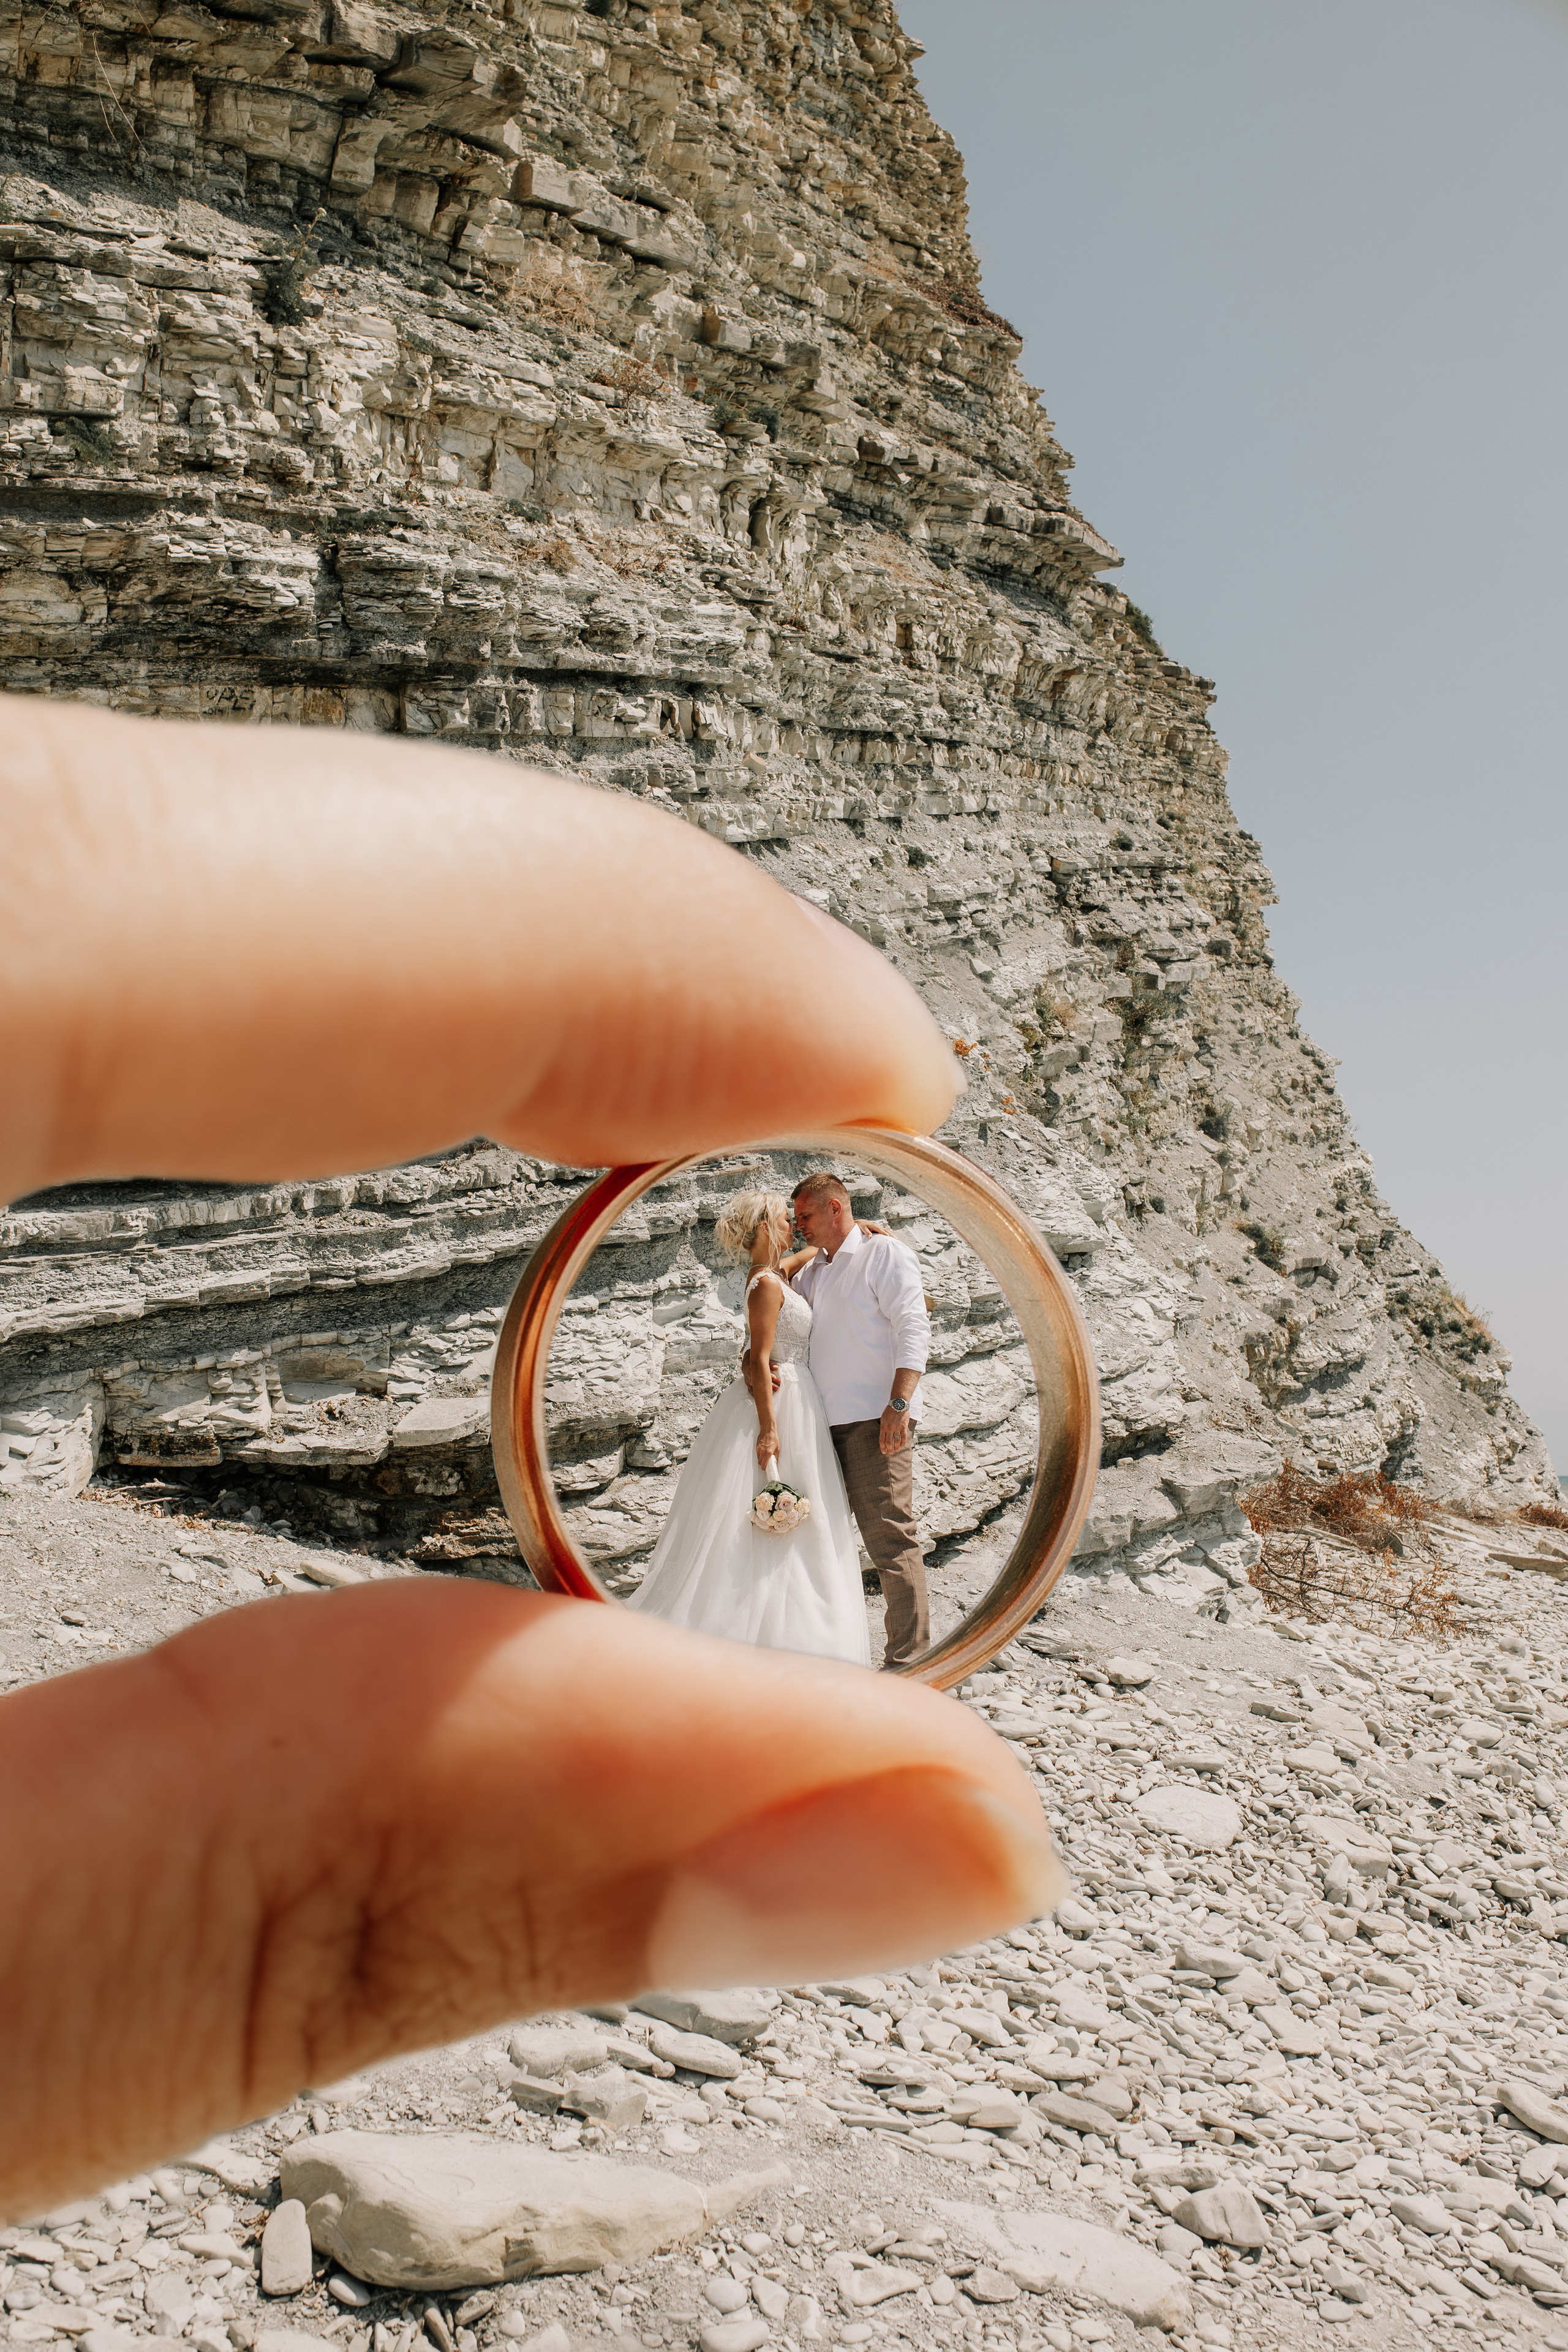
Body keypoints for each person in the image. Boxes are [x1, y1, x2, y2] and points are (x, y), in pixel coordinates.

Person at [0, 695, 1063, 2222]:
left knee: (770, 1555)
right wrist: (779, 1443)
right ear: (783, 1230)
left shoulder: (819, 1273)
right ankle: (821, 1669)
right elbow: (769, 1385)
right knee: (780, 1546)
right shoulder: (782, 1288)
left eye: (814, 1211)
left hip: (787, 1429)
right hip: (775, 1432)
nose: (806, 1224)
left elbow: (798, 1368)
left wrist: (817, 1417)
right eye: (798, 1214)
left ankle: (810, 1666)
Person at [628, 1193, 871, 1664]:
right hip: (780, 1403)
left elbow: (805, 1256)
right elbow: (759, 1359)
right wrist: (768, 1429)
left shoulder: (775, 1275)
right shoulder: (766, 1284)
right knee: (773, 1505)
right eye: (785, 1219)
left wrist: (861, 1231)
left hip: (801, 1400)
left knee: (802, 1512)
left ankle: (791, 1622)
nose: (793, 1226)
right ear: (764, 1228)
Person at [788, 1172, 932, 1667]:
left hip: (876, 1422)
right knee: (818, 1545)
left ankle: (910, 1664)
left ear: (834, 1208)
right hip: (819, 1430)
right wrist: (818, 1249)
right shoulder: (813, 1274)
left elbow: (913, 1327)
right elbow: (772, 1278)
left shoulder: (884, 1255)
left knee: (891, 1540)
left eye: (805, 1216)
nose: (797, 1225)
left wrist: (898, 1406)